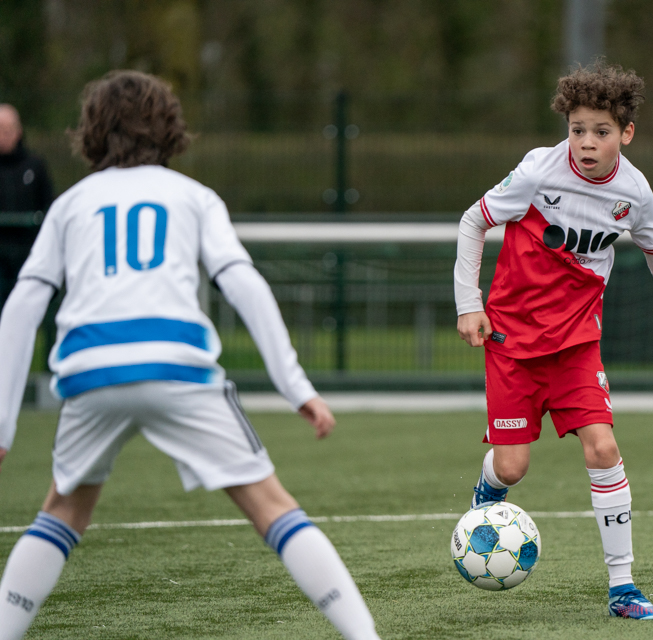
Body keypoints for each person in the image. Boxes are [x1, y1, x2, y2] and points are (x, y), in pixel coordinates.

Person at [0, 71, 380, 640]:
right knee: (272, 508)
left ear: (91, 131)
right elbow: (244, 284)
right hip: (178, 367)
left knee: (61, 513)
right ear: (169, 128)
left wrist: (2, 425)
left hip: (90, 370)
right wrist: (295, 386)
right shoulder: (195, 197)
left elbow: (23, 305)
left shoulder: (70, 205)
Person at [453, 62, 653, 620]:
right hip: (511, 343)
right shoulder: (538, 171)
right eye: (577, 129)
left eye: (601, 131)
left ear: (626, 134)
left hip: (577, 344)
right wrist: (469, 304)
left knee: (603, 448)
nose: (585, 142)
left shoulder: (634, 193)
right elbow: (472, 221)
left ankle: (623, 588)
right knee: (512, 468)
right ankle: (489, 490)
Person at [0, 104, 55, 307]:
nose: (4, 135)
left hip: (28, 255)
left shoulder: (35, 165)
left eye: (8, 129)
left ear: (18, 131)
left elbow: (48, 204)